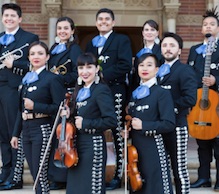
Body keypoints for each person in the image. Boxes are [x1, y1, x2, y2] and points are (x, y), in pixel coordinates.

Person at [86, 8, 132, 190]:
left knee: (117, 134)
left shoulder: (121, 40)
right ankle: (96, 173)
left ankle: (117, 175)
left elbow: (125, 65)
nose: (103, 22)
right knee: (95, 132)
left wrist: (101, 74)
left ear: (113, 22)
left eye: (107, 19)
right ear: (96, 22)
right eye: (100, 19)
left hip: (115, 91)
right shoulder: (91, 43)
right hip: (95, 92)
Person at [10, 41, 65, 194]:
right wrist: (15, 133)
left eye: (40, 53)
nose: (36, 57)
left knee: (41, 172)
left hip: (43, 128)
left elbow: (59, 107)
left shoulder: (52, 78)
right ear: (28, 57)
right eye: (32, 53)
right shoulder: (26, 79)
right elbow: (20, 110)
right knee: (35, 173)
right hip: (26, 129)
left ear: (47, 57)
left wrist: (36, 106)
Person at [64, 52, 117, 194]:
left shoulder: (101, 90)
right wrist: (69, 115)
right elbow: (78, 119)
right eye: (81, 68)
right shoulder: (78, 91)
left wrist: (87, 123)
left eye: (89, 67)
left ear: (96, 69)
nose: (85, 72)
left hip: (93, 145)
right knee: (75, 189)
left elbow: (111, 120)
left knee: (91, 188)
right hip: (76, 145)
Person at [0, 3, 39, 190]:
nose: (9, 19)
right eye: (6, 16)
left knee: (12, 133)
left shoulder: (30, 38)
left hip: (13, 89)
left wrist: (12, 65)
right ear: (2, 18)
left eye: (12, 16)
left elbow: (33, 64)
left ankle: (16, 176)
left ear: (19, 19)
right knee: (1, 134)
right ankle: (5, 171)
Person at [126, 53, 175, 194]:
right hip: (136, 150)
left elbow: (169, 124)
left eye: (149, 65)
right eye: (141, 65)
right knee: (139, 186)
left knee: (155, 187)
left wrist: (144, 126)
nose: (144, 68)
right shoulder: (135, 94)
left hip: (154, 147)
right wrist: (127, 129)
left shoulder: (161, 93)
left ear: (157, 69)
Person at [157, 32, 197, 194]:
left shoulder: (185, 70)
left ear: (179, 51)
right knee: (162, 167)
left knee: (178, 167)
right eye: (165, 45)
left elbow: (190, 99)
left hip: (177, 126)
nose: (168, 49)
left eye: (172, 45)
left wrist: (167, 107)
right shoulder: (156, 71)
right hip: (159, 126)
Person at [47, 16, 82, 190]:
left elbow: (77, 73)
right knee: (55, 136)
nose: (62, 31)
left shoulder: (74, 49)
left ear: (72, 31)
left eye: (66, 28)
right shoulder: (53, 49)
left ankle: (64, 177)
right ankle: (55, 175)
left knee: (64, 136)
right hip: (53, 94)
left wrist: (57, 78)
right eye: (59, 28)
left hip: (66, 94)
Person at [188, 7, 219, 191]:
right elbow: (188, 74)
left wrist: (216, 80)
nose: (208, 26)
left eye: (212, 24)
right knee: (202, 143)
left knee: (218, 144)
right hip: (200, 103)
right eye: (205, 24)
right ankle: (203, 177)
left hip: (217, 104)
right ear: (201, 29)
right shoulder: (194, 50)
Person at [131, 19, 164, 92]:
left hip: (156, 87)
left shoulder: (161, 51)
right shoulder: (139, 53)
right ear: (143, 33)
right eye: (146, 30)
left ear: (157, 33)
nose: (149, 32)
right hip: (141, 88)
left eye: (152, 30)